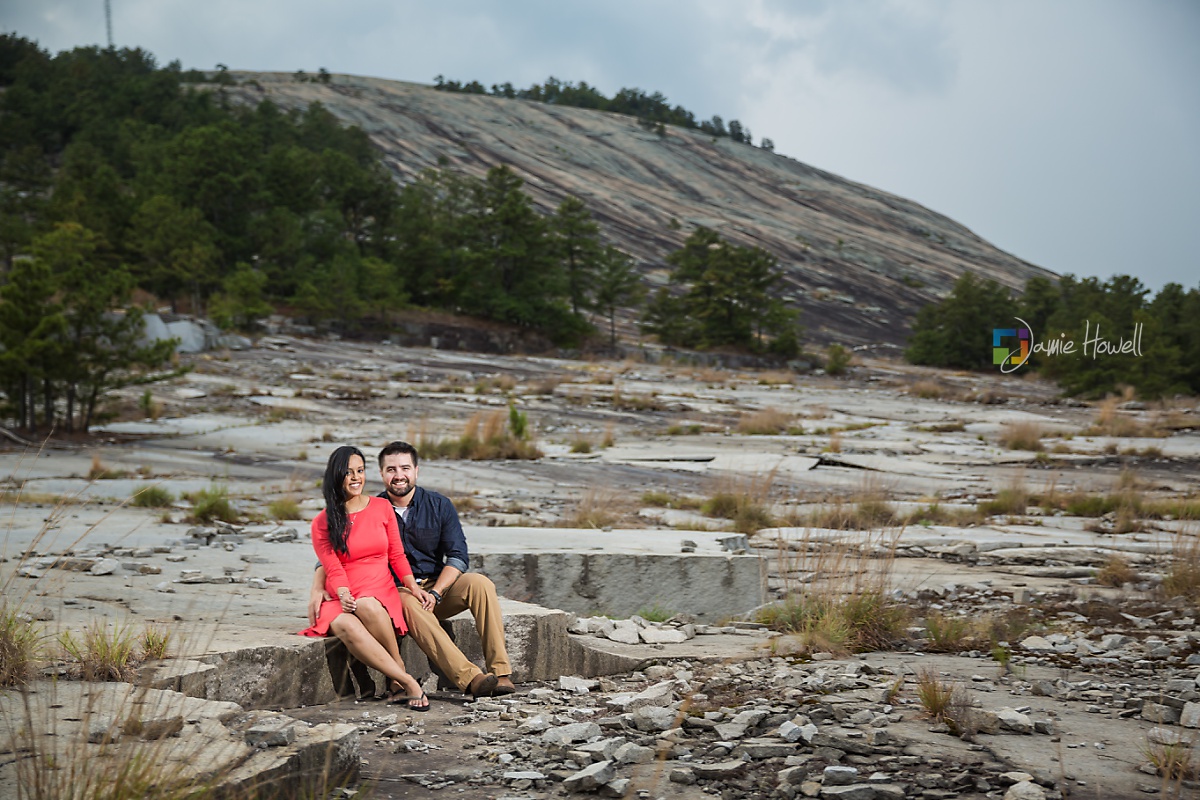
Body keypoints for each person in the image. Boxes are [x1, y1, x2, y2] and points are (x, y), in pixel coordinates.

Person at [309, 441, 514, 698]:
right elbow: (335, 554)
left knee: (481, 583)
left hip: (437, 586)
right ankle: (471, 678)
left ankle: (502, 672)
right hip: (397, 592)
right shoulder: (371, 508)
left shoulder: (439, 505)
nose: (399, 475)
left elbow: (458, 557)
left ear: (416, 471)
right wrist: (318, 586)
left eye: (405, 468)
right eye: (391, 469)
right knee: (409, 602)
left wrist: (437, 592)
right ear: (382, 474)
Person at [300, 445, 430, 711]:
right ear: (336, 476)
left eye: (360, 471)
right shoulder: (322, 522)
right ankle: (405, 680)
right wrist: (344, 593)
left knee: (368, 604)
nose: (356, 477)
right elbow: (332, 566)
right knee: (345, 623)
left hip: (378, 585)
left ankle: (397, 669)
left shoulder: (382, 507)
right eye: (348, 472)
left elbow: (396, 554)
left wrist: (412, 586)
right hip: (342, 590)